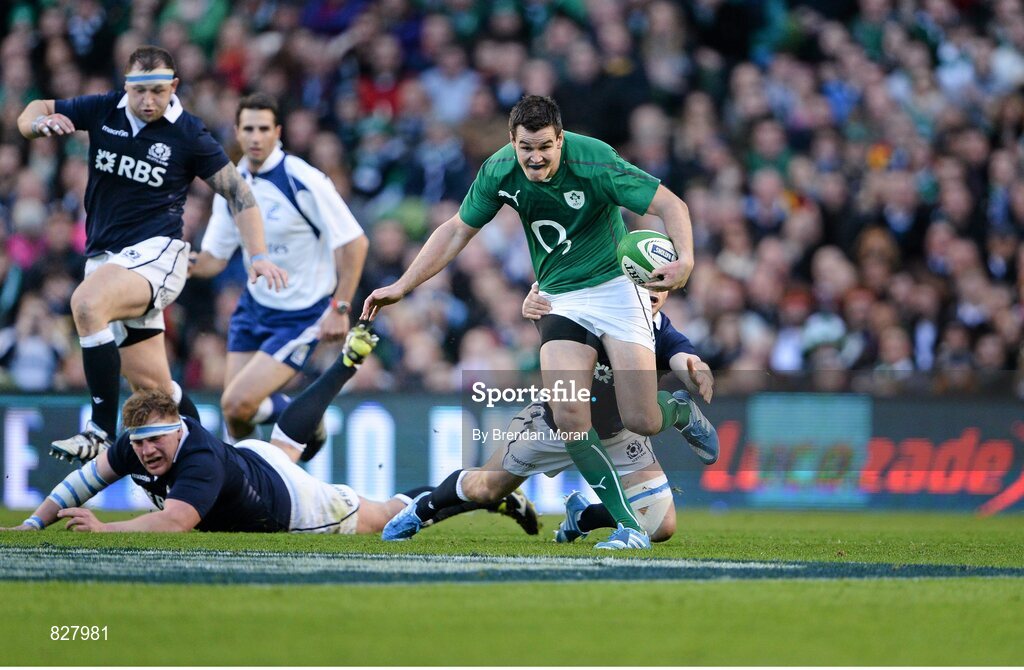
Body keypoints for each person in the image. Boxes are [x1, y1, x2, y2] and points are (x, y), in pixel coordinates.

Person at [364, 95, 698, 549]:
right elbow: (456, 229)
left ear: (561, 139)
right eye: (526, 148)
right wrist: (403, 285)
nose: (535, 157)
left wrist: (686, 260)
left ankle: (675, 410)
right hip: (558, 297)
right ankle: (626, 528)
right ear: (512, 142)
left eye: (544, 146)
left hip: (617, 289)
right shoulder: (499, 170)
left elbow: (669, 204)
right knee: (568, 414)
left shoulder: (595, 159)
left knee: (643, 417)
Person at [16, 45, 287, 463]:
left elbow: (240, 194)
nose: (148, 102)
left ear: (174, 86)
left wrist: (259, 256)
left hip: (158, 256)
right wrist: (37, 125)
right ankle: (215, 466)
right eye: (140, 92)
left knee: (87, 303)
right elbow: (33, 108)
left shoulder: (188, 133)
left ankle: (100, 430)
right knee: (157, 392)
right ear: (126, 87)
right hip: (107, 259)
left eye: (159, 91)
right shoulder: (104, 109)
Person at [4, 325, 538, 536]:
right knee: (281, 440)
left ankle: (476, 492)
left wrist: (106, 530)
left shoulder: (198, 460)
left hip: (295, 503)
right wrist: (34, 523)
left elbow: (173, 523)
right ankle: (343, 366)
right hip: (258, 455)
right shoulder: (144, 437)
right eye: (139, 443)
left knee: (385, 516)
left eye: (155, 441)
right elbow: (83, 481)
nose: (146, 452)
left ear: (179, 431)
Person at [383, 286, 718, 547]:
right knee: (485, 488)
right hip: (553, 424)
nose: (651, 294)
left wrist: (696, 371)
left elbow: (682, 355)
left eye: (659, 285)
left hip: (618, 434)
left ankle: (583, 518)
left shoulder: (660, 330)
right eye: (642, 282)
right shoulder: (593, 311)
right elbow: (549, 310)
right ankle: (420, 509)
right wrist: (534, 308)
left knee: (662, 526)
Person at [190, 93, 369, 450]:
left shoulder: (304, 179)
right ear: (237, 133)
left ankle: (302, 422)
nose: (255, 137)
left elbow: (355, 243)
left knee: (236, 402)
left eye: (263, 129)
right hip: (253, 308)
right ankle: (289, 437)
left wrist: (341, 307)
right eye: (248, 129)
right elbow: (214, 258)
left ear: (278, 133)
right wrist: (174, 263)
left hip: (301, 314)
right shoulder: (231, 184)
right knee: (236, 415)